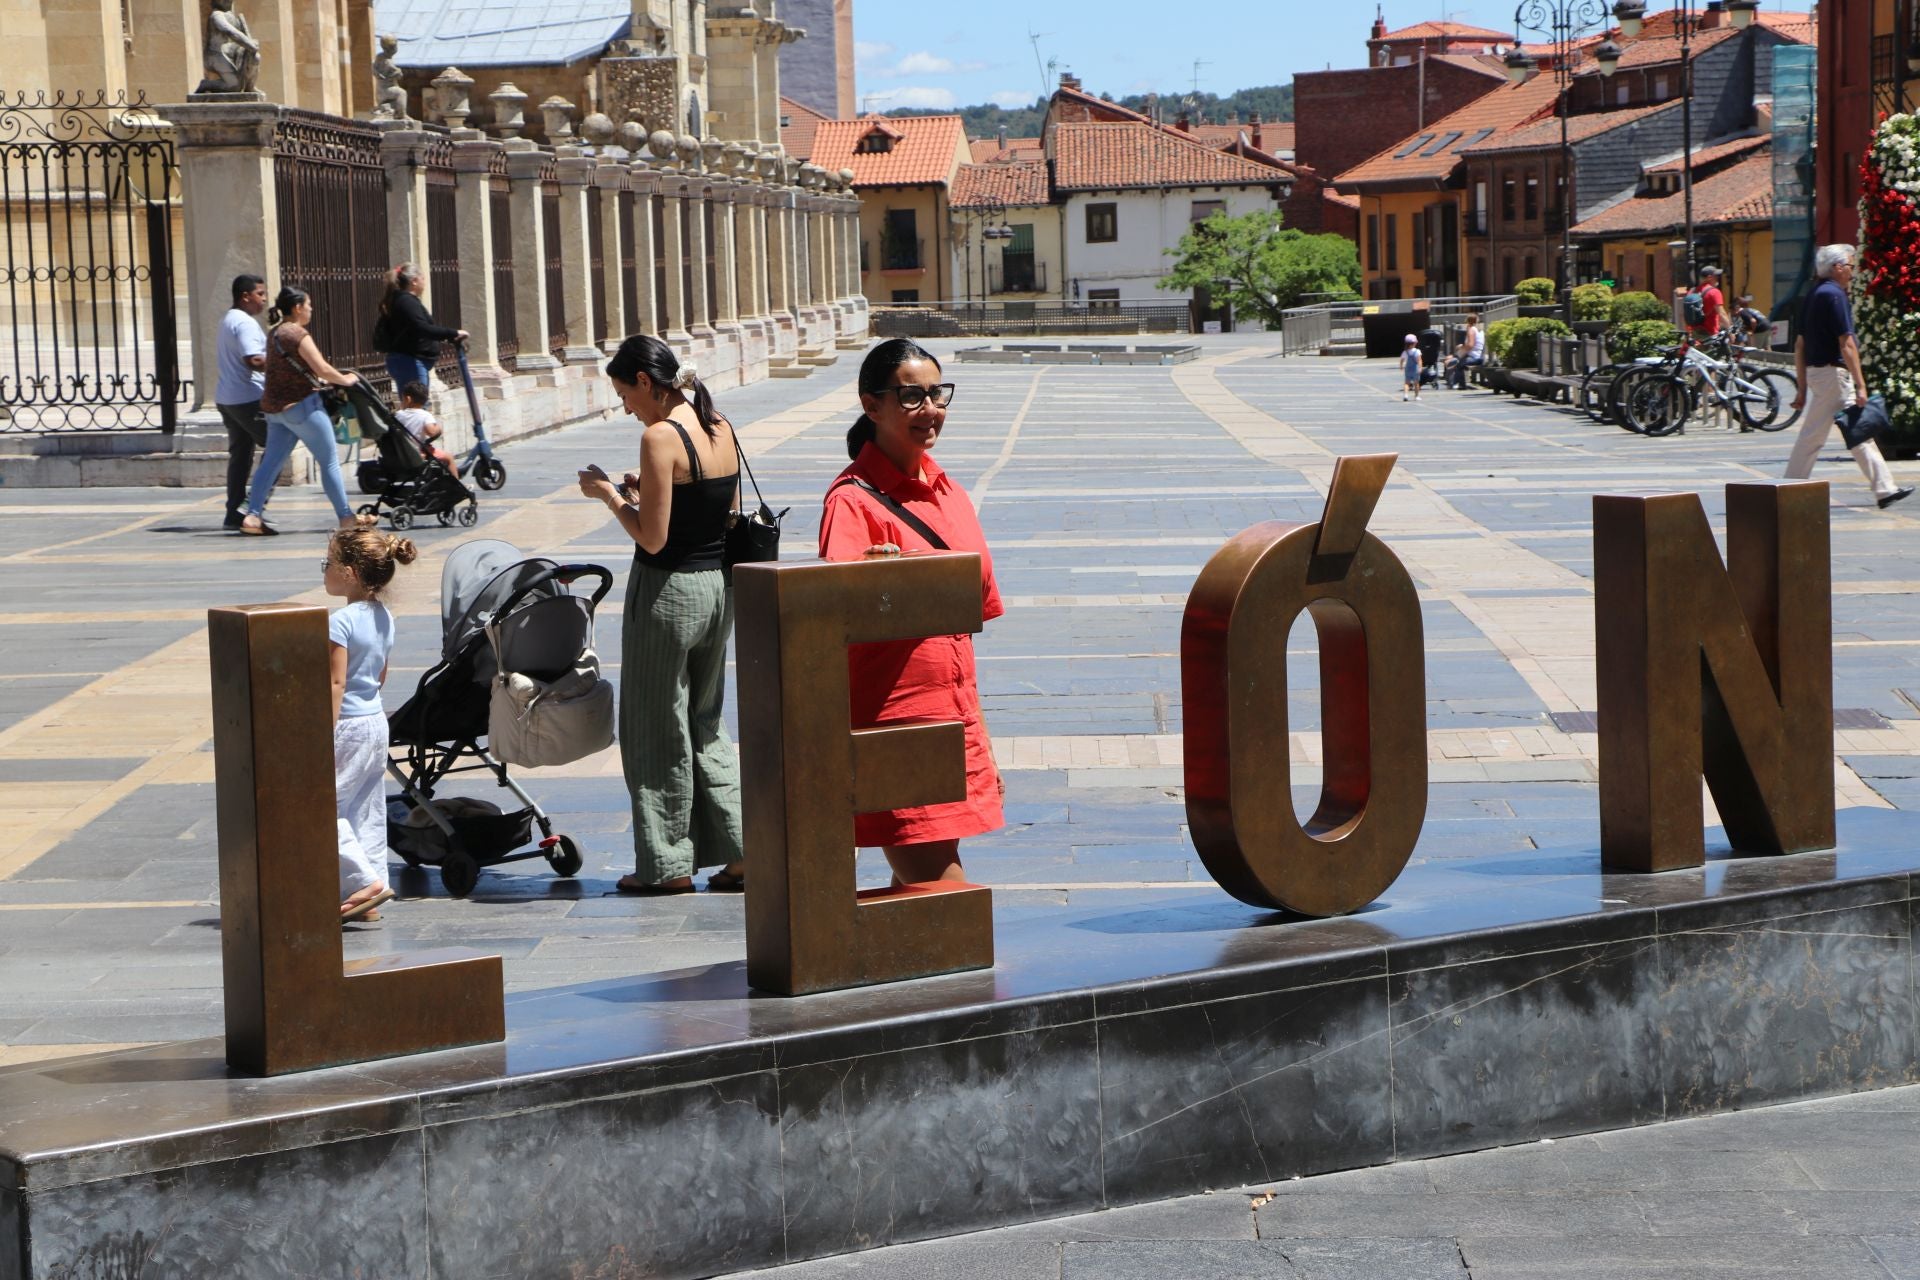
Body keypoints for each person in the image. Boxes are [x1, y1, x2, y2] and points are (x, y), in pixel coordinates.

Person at [818, 339, 1005, 887]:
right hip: (897, 725)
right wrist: (870, 584)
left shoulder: (951, 493)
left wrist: (982, 739)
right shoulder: (851, 501)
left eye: (937, 394)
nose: (931, 410)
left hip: (955, 714)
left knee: (924, 898)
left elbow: (964, 628)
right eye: (911, 397)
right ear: (871, 405)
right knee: (942, 895)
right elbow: (829, 619)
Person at [576, 335, 746, 895]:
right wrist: (643, 490)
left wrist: (608, 495)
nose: (625, 406)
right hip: (717, 588)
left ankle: (666, 862)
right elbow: (727, 515)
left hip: (668, 593)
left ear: (645, 383)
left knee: (653, 726)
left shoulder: (658, 436)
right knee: (705, 721)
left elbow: (652, 538)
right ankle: (743, 849)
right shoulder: (719, 424)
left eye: (624, 393)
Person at [326, 522, 417, 922]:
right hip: (375, 722)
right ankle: (371, 890)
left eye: (327, 562)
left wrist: (322, 731)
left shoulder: (340, 622)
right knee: (365, 807)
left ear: (350, 572)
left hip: (345, 724)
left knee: (321, 807)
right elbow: (380, 674)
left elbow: (334, 682)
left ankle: (363, 882)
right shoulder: (384, 616)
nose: (324, 570)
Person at [1787, 244, 1913, 509]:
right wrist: (1861, 384)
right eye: (1850, 266)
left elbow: (1799, 345)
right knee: (1817, 436)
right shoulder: (1834, 295)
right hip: (1833, 375)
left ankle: (1885, 488)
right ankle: (1788, 488)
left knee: (1856, 431)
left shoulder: (1812, 295)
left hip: (1820, 374)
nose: (1852, 272)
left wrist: (1801, 388)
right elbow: (1847, 343)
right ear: (1837, 267)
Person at [239, 287, 361, 535]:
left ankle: (252, 515)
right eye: (309, 305)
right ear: (297, 308)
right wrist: (345, 380)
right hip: (302, 407)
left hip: (275, 410)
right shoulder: (297, 334)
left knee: (270, 463)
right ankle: (346, 516)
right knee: (329, 462)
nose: (311, 309)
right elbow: (322, 368)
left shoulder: (274, 334)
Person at [215, 274, 269, 530]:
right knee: (278, 447)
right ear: (245, 296)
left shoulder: (228, 319)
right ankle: (252, 508)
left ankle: (233, 511)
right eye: (260, 294)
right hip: (247, 398)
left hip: (227, 398)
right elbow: (254, 360)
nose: (264, 299)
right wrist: (285, 366)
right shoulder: (245, 323)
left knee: (241, 454)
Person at [377, 263, 466, 391]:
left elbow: (415, 329)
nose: (425, 282)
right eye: (423, 278)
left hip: (409, 361)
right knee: (416, 407)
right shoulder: (406, 302)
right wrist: (453, 332)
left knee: (415, 406)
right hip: (410, 362)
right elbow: (421, 328)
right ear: (414, 281)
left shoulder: (404, 300)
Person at [393, 380, 457, 476]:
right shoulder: (425, 415)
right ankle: (457, 484)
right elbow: (431, 432)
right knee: (449, 458)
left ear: (408, 399)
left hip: (402, 452)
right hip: (418, 452)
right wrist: (438, 429)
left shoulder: (398, 415)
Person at [1683, 265, 1729, 339]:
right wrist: (1730, 331)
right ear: (1709, 277)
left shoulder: (1691, 292)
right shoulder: (1714, 292)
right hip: (1710, 336)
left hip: (1694, 336)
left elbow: (1685, 315)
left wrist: (1689, 333)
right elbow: (1722, 314)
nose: (1718, 278)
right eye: (1716, 276)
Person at [1448, 312, 1485, 389]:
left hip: (1473, 358)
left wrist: (1460, 351)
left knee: (1458, 364)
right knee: (1457, 361)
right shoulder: (1480, 330)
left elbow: (1470, 345)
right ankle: (1458, 384)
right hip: (1479, 356)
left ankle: (1459, 384)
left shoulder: (1471, 330)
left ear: (1468, 321)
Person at [1400, 333, 1423, 402]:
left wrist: (1401, 366)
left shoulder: (1405, 352)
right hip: (1415, 369)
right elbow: (1419, 360)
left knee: (1407, 383)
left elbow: (1402, 360)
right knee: (1416, 383)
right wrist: (1420, 367)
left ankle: (1406, 395)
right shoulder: (1417, 351)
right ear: (1414, 343)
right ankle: (1416, 396)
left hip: (1408, 369)